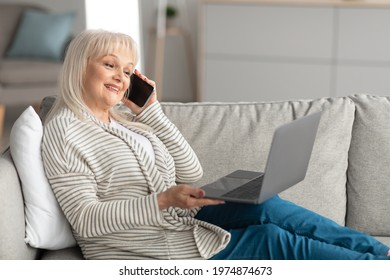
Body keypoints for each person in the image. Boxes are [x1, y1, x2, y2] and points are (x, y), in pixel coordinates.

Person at [41, 29, 390, 260]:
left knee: (268, 206)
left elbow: (191, 170)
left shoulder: (127, 122)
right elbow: (85, 219)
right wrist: (163, 200)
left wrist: (152, 113)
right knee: (271, 239)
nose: (122, 77)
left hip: (176, 219)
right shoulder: (64, 131)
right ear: (78, 67)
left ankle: (380, 257)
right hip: (146, 249)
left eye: (129, 70)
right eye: (110, 65)